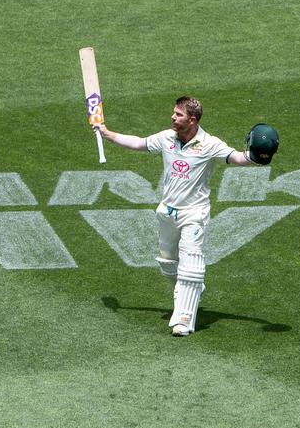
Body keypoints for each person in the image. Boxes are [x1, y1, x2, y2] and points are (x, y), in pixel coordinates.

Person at [96, 96, 277, 336]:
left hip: (194, 213)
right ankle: (191, 291)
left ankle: (183, 318)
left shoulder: (209, 144)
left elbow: (235, 157)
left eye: (178, 115)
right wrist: (108, 133)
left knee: (191, 263)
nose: (173, 117)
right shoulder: (166, 138)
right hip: (167, 211)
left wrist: (257, 157)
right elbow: (138, 143)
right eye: (174, 113)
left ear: (192, 120)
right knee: (168, 264)